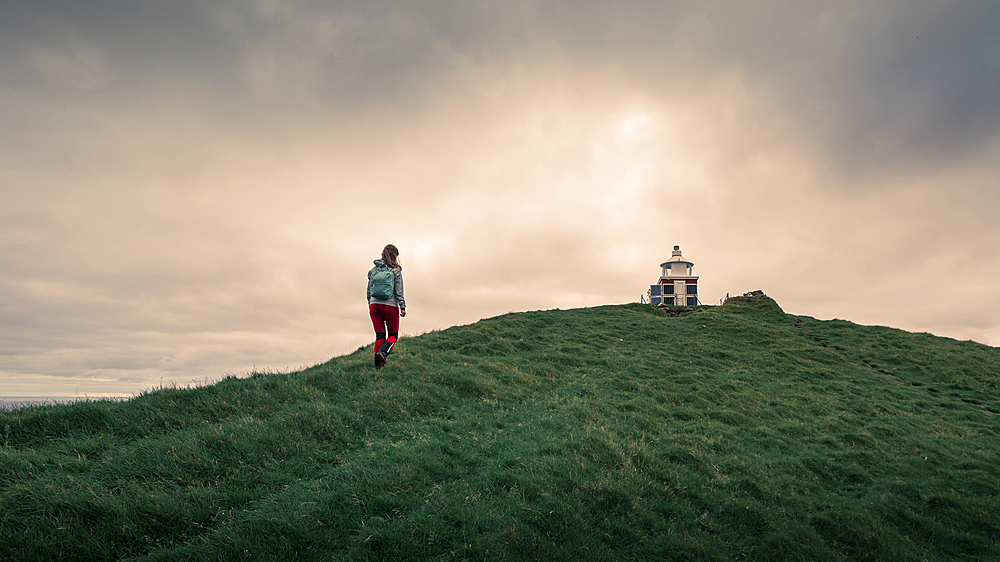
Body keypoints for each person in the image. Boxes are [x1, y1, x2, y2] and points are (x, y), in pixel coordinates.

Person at [367, 244, 406, 369]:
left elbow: (369, 290)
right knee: (393, 335)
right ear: (395, 256)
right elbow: (399, 290)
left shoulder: (374, 270)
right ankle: (382, 353)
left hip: (374, 305)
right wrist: (402, 306)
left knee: (380, 335)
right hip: (390, 306)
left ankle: (378, 367)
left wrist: (370, 304)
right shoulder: (395, 270)